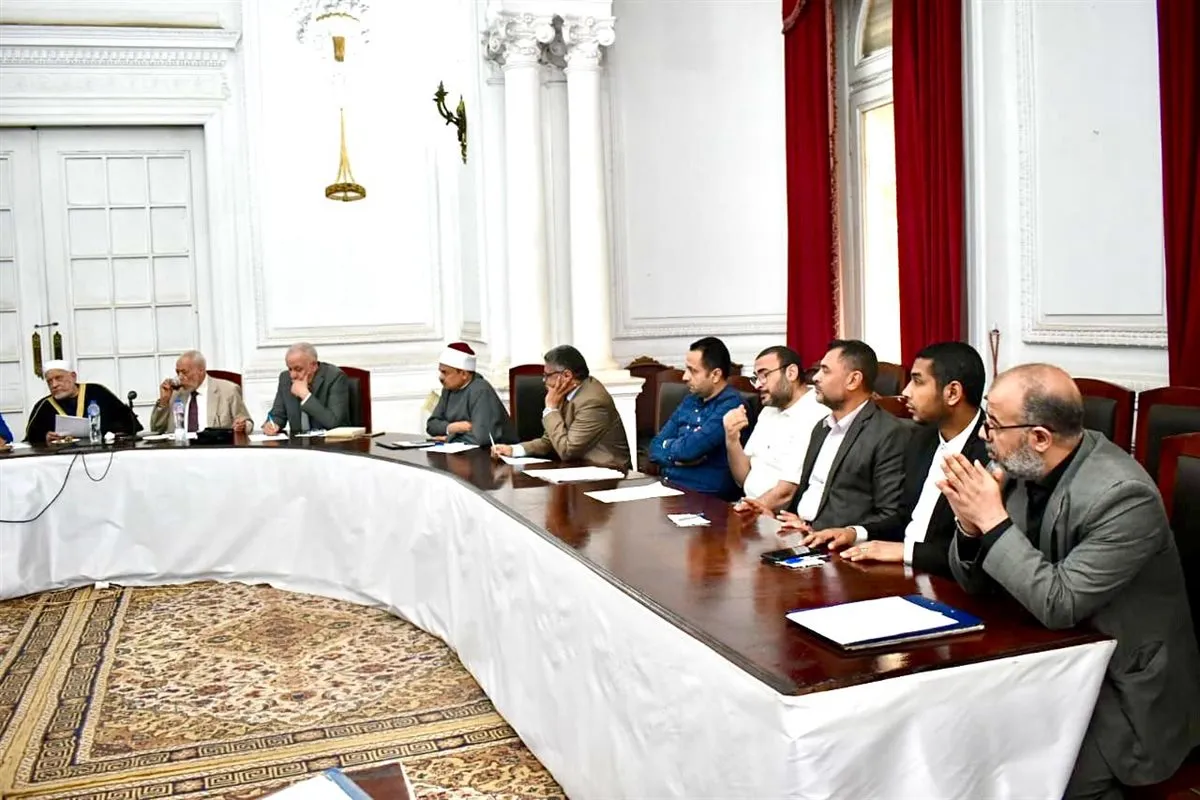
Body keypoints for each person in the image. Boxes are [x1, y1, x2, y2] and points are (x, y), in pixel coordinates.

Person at [939, 363, 1200, 798]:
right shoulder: (1020, 465)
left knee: (1041, 777)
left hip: (1121, 688)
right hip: (1044, 659)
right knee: (960, 738)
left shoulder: (1123, 496)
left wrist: (993, 521)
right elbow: (978, 585)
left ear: (1040, 437)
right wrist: (969, 525)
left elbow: (1060, 605)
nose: (984, 434)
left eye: (994, 424)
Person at [819, 341, 988, 577]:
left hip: (948, 582)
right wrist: (854, 532)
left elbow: (978, 555)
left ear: (952, 393)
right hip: (901, 571)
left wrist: (906, 551)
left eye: (918, 381)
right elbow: (903, 517)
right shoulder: (921, 439)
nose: (906, 392)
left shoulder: (989, 453)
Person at [776, 340, 908, 535]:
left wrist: (845, 533)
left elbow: (890, 514)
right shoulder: (821, 427)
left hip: (843, 545)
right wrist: (794, 520)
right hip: (801, 533)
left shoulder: (888, 433)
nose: (816, 378)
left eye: (825, 371)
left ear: (853, 380)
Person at [491, 345, 631, 469]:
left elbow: (567, 451)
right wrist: (513, 450)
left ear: (567, 375)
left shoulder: (593, 402)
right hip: (580, 468)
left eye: (547, 375)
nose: (544, 380)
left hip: (608, 473)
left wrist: (551, 408)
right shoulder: (566, 392)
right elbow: (550, 440)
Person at [725, 346, 827, 513]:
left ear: (791, 373)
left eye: (764, 375)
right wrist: (732, 439)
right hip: (751, 506)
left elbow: (786, 493)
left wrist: (747, 511)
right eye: (755, 378)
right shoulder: (768, 411)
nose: (758, 385)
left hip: (776, 515)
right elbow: (744, 479)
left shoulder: (814, 413)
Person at [649, 337, 745, 499]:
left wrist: (669, 448)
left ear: (715, 375)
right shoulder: (690, 400)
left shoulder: (731, 405)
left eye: (692, 371)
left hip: (705, 496)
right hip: (669, 488)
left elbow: (690, 450)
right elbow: (654, 447)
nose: (685, 377)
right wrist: (676, 456)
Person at [23, 359, 142, 444]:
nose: (54, 385)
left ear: (73, 376)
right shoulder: (44, 406)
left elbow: (128, 424)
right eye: (49, 381)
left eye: (59, 378)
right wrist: (45, 437)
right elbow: (31, 437)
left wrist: (106, 431)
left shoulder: (97, 392)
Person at [426, 342, 516, 445]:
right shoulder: (448, 389)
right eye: (440, 372)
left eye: (445, 372)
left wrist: (449, 438)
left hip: (494, 452)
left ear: (464, 374)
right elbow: (431, 425)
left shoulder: (481, 390)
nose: (441, 377)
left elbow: (481, 438)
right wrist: (452, 427)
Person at [149, 350, 253, 434]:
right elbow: (156, 430)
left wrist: (243, 426)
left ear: (201, 370)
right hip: (180, 449)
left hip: (214, 448)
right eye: (178, 372)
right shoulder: (174, 393)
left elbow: (248, 423)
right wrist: (164, 401)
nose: (180, 377)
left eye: (184, 372)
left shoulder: (228, 390)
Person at [263, 343, 350, 436]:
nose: (292, 375)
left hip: (331, 442)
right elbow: (277, 414)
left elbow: (335, 423)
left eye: (298, 369)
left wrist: (305, 396)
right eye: (290, 369)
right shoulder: (285, 378)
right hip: (298, 441)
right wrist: (272, 424)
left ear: (314, 366)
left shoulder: (335, 377)